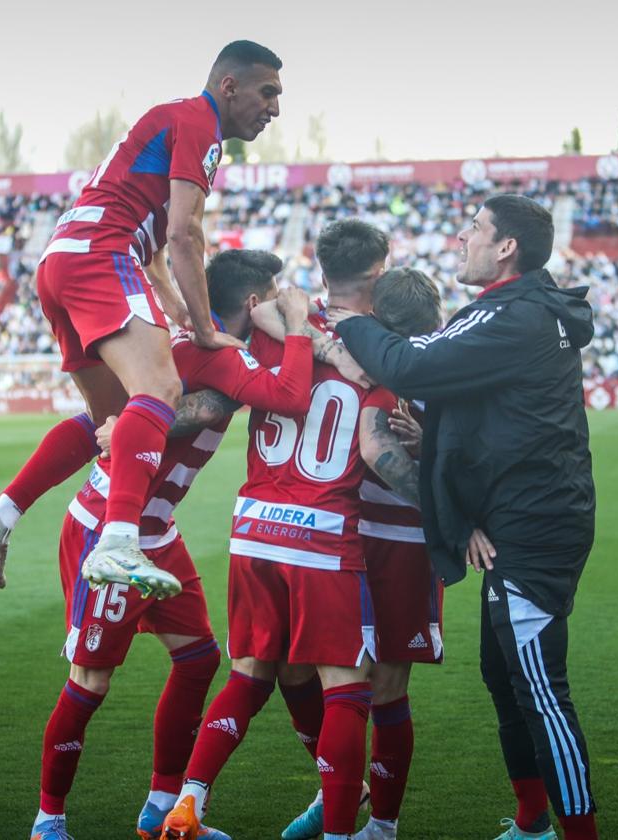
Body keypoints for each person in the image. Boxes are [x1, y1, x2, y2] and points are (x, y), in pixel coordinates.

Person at [0, 39, 284, 598]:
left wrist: (180, 314)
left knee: (111, 425)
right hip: (101, 255)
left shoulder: (171, 121)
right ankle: (118, 542)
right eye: (268, 92)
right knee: (160, 389)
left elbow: (156, 251)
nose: (274, 109)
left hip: (62, 260)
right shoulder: (199, 125)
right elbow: (184, 233)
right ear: (229, 86)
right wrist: (205, 330)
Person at [330, 195, 599, 840]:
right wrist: (440, 457)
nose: (460, 237)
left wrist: (350, 321)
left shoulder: (516, 317)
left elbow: (413, 364)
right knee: (504, 679)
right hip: (518, 518)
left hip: (536, 526)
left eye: (474, 229)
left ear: (506, 247)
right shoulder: (516, 311)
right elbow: (494, 420)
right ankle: (533, 823)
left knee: (540, 691)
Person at [30, 250, 314, 840]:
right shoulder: (214, 354)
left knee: (198, 657)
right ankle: (48, 819)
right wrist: (302, 329)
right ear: (255, 304)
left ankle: (161, 809)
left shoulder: (196, 345)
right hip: (110, 524)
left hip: (157, 528)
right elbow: (286, 395)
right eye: (275, 294)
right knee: (91, 680)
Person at [161, 220, 421, 840]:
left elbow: (262, 323)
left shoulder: (273, 323)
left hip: (253, 527)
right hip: (326, 533)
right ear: (379, 273)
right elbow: (379, 449)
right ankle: (341, 833)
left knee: (248, 670)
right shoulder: (385, 352)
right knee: (347, 686)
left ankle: (186, 806)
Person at [251, 268, 445, 840]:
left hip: (405, 542)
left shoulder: (442, 363)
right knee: (298, 667)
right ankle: (337, 785)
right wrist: (322, 338)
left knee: (384, 687)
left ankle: (380, 827)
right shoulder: (350, 339)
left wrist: (443, 494)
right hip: (345, 532)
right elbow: (264, 310)